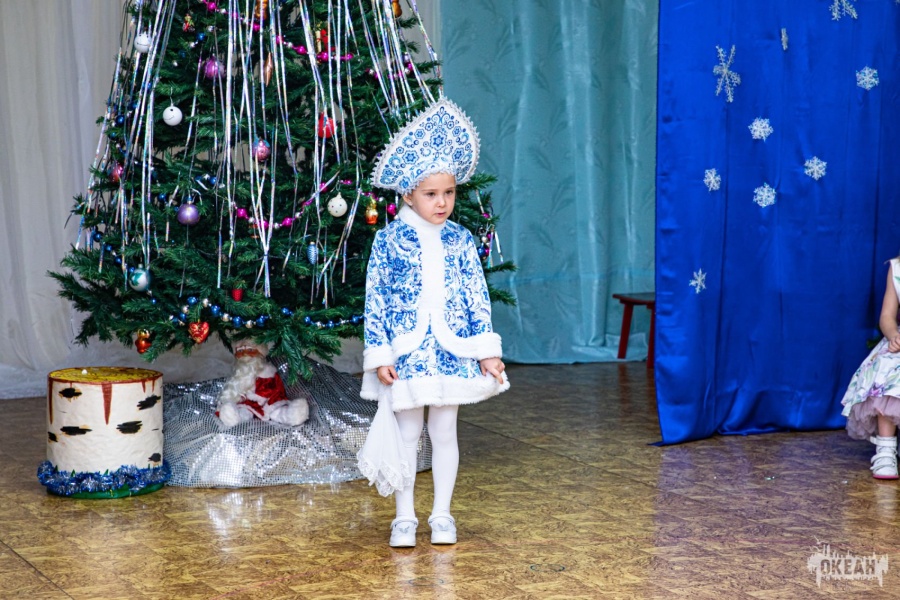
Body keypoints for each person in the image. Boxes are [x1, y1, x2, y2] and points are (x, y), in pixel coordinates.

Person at [358, 97, 510, 547]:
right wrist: (380, 354)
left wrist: (486, 352)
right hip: (406, 355)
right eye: (430, 194)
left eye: (449, 193)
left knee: (444, 432)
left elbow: (476, 296)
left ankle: (441, 514)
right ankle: (404, 517)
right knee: (407, 433)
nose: (442, 202)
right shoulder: (389, 240)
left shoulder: (461, 239)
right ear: (408, 194)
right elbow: (376, 300)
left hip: (451, 351)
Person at [842, 257, 900, 479]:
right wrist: (894, 336)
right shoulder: (897, 268)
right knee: (889, 366)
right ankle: (886, 449)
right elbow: (887, 317)